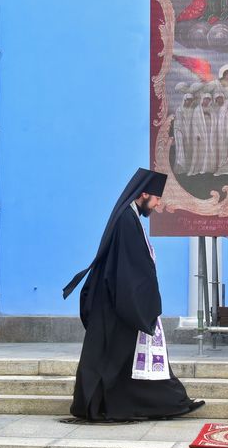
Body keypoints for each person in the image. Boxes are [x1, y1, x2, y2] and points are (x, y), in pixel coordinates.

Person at [63, 169, 204, 422]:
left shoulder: (130, 217)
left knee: (127, 363)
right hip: (120, 305)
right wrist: (142, 307)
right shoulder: (127, 220)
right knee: (114, 361)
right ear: (144, 194)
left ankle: (168, 402)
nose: (159, 203)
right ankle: (106, 407)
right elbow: (130, 269)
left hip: (121, 302)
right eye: (157, 197)